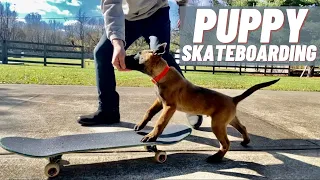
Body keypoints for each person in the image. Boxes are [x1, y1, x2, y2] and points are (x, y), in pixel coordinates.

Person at [77, 0, 202, 128]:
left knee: (160, 56)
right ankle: (108, 111)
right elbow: (111, 3)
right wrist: (117, 42)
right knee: (102, 53)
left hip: (156, 12)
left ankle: (191, 103)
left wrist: (183, 8)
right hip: (126, 17)